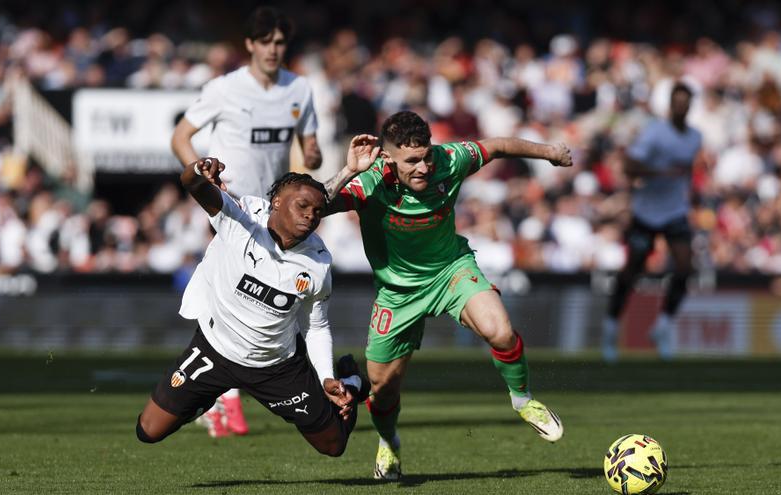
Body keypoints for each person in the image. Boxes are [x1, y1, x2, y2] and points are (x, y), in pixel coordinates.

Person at [322, 113, 573, 480]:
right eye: (412, 161)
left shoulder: (450, 159)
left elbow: (499, 145)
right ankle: (389, 443)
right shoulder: (371, 181)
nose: (423, 166)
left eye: (426, 155)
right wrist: (347, 172)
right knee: (382, 388)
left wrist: (550, 151)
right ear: (388, 158)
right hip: (398, 292)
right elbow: (315, 205)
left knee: (500, 330)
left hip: (450, 271)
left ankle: (524, 401)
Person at [136, 158, 368, 457]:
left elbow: (316, 326)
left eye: (318, 212)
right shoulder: (240, 219)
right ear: (277, 203)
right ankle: (204, 398)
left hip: (277, 367)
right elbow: (192, 185)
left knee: (334, 447)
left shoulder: (318, 262)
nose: (311, 216)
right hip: (214, 350)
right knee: (148, 431)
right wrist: (198, 171)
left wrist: (326, 377)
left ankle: (352, 381)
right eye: (302, 207)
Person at [170, 6, 322, 436]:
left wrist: (312, 156)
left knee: (273, 304)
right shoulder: (224, 89)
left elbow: (310, 149)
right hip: (233, 209)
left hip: (275, 216)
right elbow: (180, 137)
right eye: (267, 42)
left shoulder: (300, 89)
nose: (274, 50)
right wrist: (202, 177)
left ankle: (230, 394)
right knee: (224, 293)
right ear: (251, 45)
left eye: (280, 43)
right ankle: (220, 396)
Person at [601, 82, 702, 363]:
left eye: (687, 103)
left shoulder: (695, 137)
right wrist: (659, 172)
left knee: (685, 266)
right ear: (671, 105)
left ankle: (663, 327)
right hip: (646, 211)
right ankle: (611, 328)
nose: (682, 107)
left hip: (674, 211)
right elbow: (629, 165)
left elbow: (687, 171)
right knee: (632, 270)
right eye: (678, 102)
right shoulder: (656, 132)